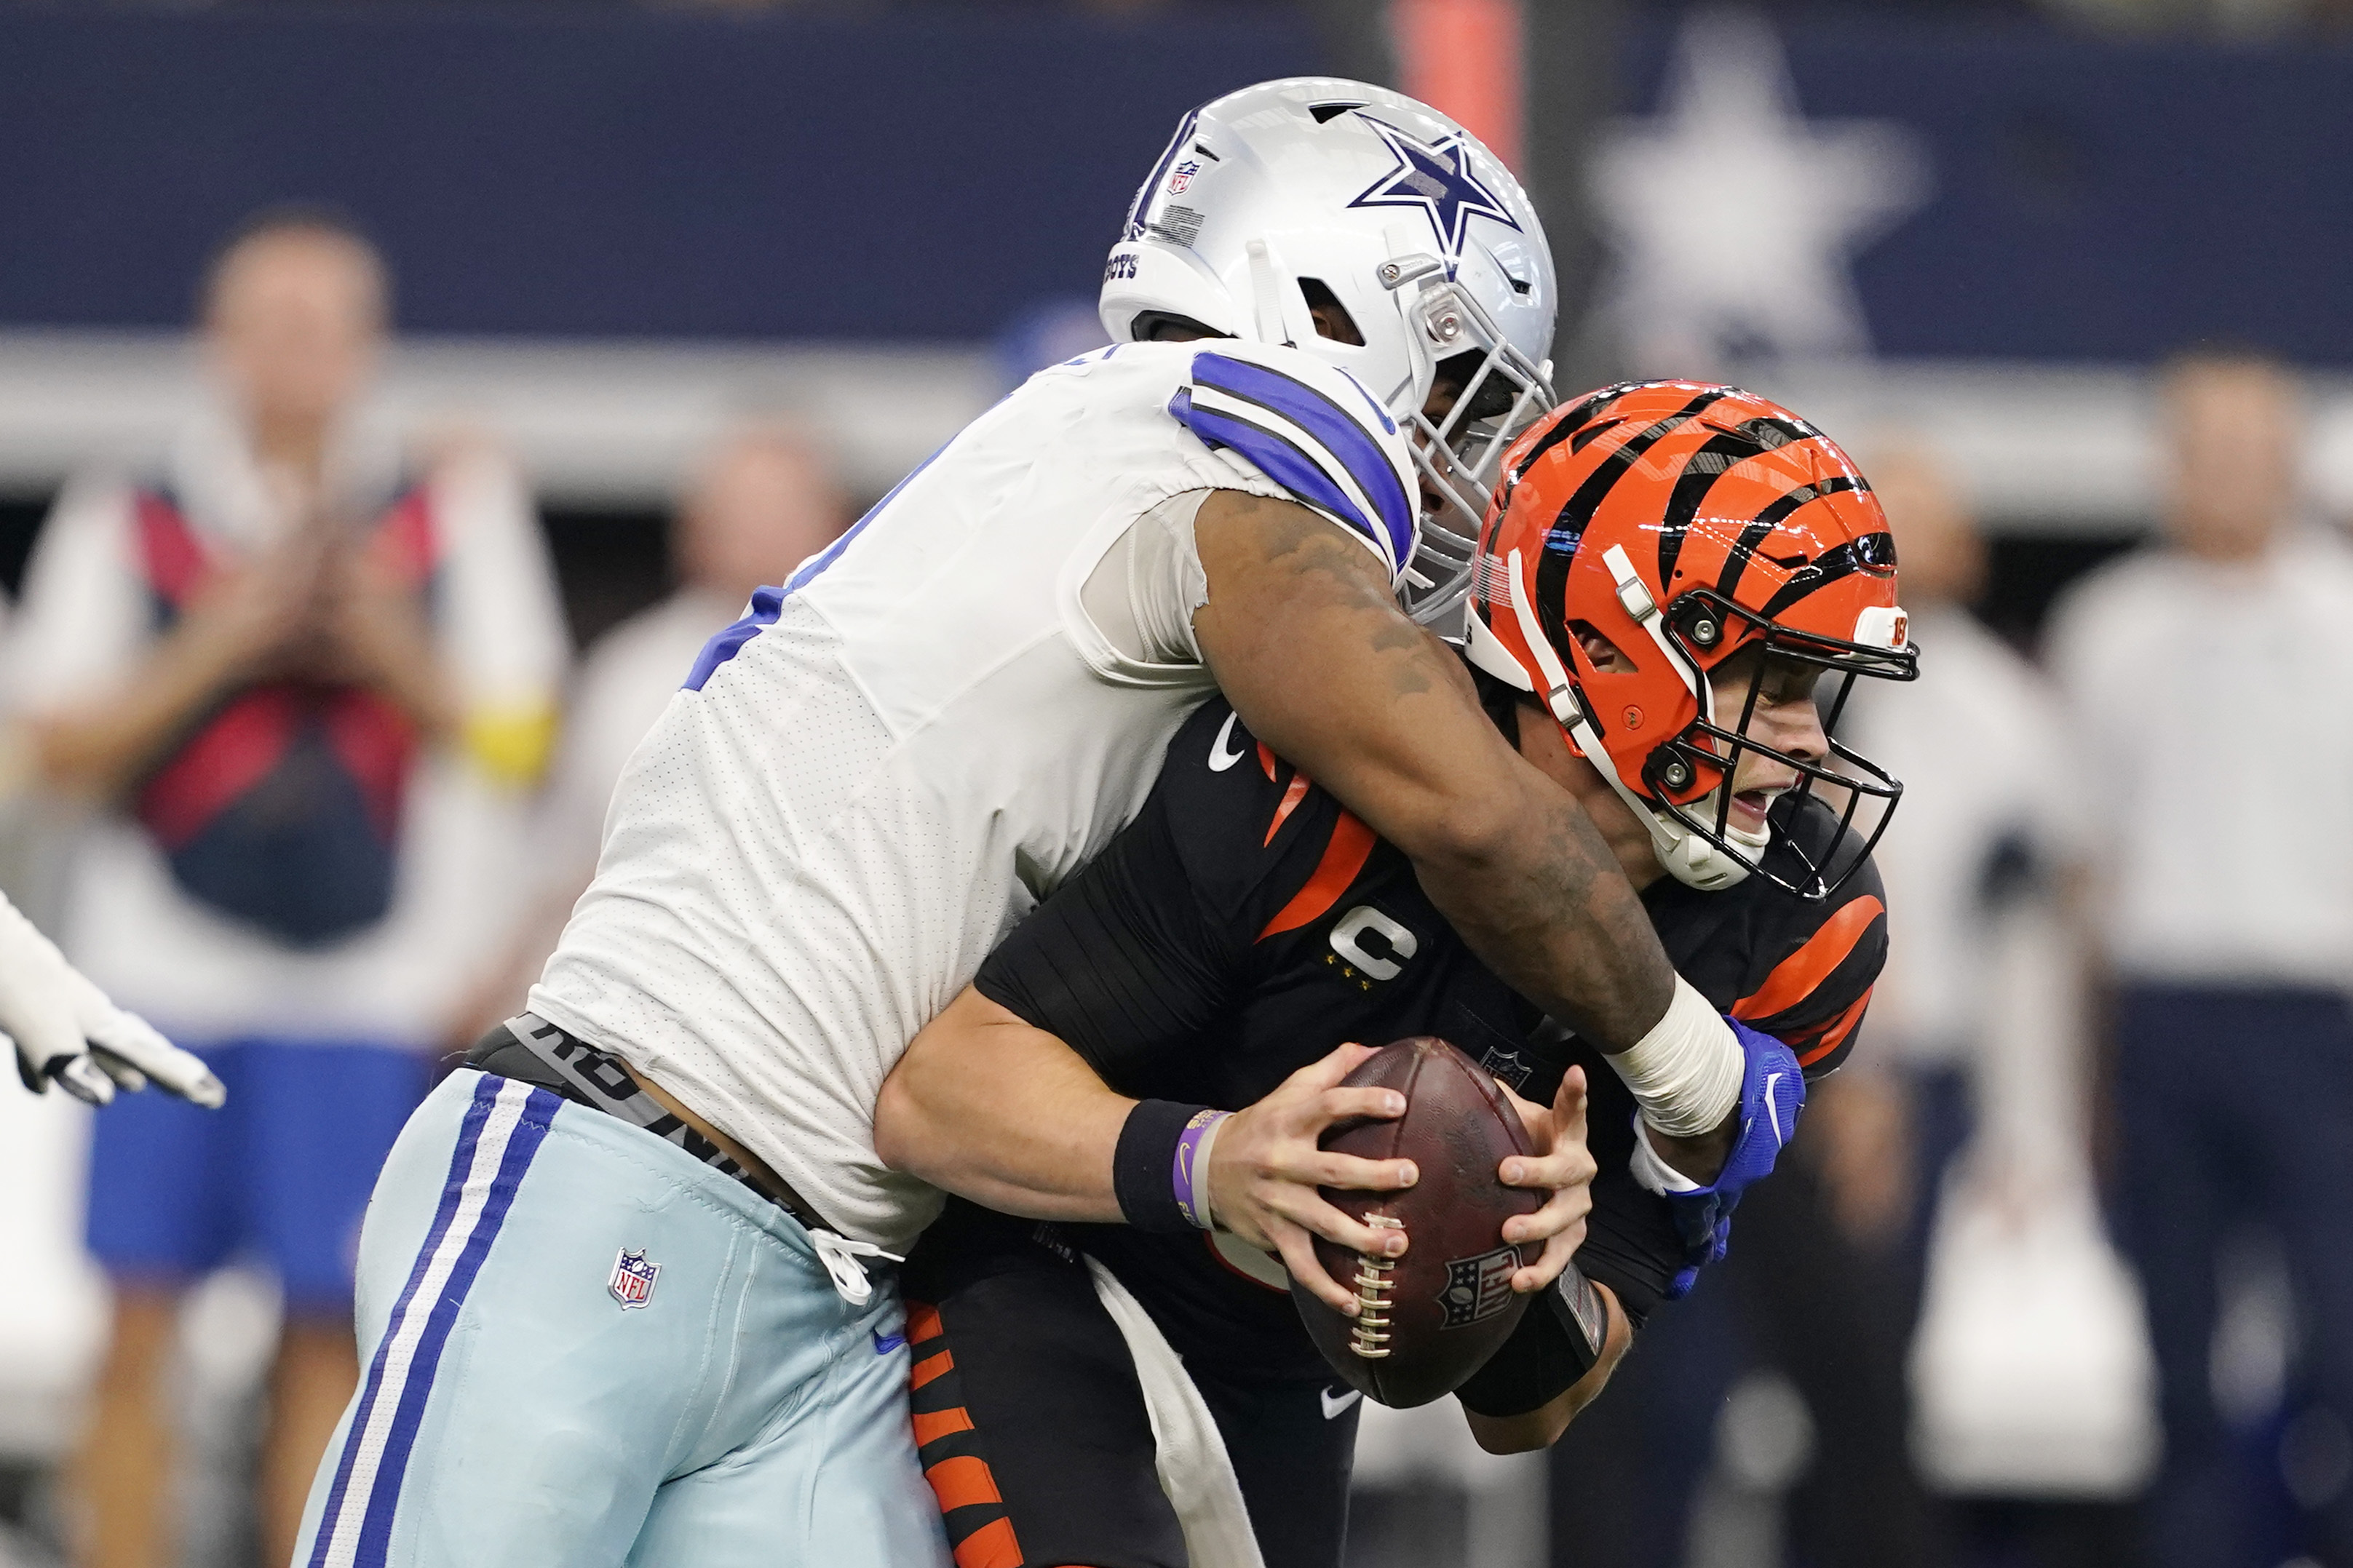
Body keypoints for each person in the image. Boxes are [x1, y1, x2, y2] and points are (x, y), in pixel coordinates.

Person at [295, 83, 1757, 1567]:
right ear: (1328, 304)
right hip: (615, 1160)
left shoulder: (1111, 462)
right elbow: (1475, 815)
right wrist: (1694, 1070)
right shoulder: (1201, 459)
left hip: (831, 1279)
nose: (1467, 464)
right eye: (1455, 391)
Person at [873, 382, 1914, 1568]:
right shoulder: (1325, 781)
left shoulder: (1796, 931)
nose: (1810, 738)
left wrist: (1518, 1263)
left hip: (1280, 1379)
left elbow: (1524, 1411)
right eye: (1768, 682)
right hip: (1060, 1274)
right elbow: (936, 1092)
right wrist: (1217, 1159)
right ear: (1618, 641)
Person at [7, 210, 567, 1568]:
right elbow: (54, 746)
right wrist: (224, 638)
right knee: (132, 1321)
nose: (299, 353)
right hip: (162, 974)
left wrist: (381, 638)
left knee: (331, 1322)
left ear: (368, 346)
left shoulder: (454, 509)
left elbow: (521, 740)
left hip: (360, 989)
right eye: (273, 323)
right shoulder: (126, 505)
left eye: (325, 325)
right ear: (220, 340)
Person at [2045, 347, 2353, 1568]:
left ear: (2286, 462)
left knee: (2340, 1338)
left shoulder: (2342, 615)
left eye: (2247, 447)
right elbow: (2084, 873)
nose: (2224, 473)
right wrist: (2083, 1076)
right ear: (2166, 465)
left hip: (2314, 1017)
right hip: (2161, 1017)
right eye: (2200, 447)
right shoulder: (2106, 624)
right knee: (2170, 1353)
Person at [448, 421, 852, 1040]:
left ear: (837, 523)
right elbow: (563, 862)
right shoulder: (627, 672)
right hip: (626, 1010)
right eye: (737, 511)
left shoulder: (870, 674)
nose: (756, 532)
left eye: (779, 510)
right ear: (693, 528)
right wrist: (493, 990)